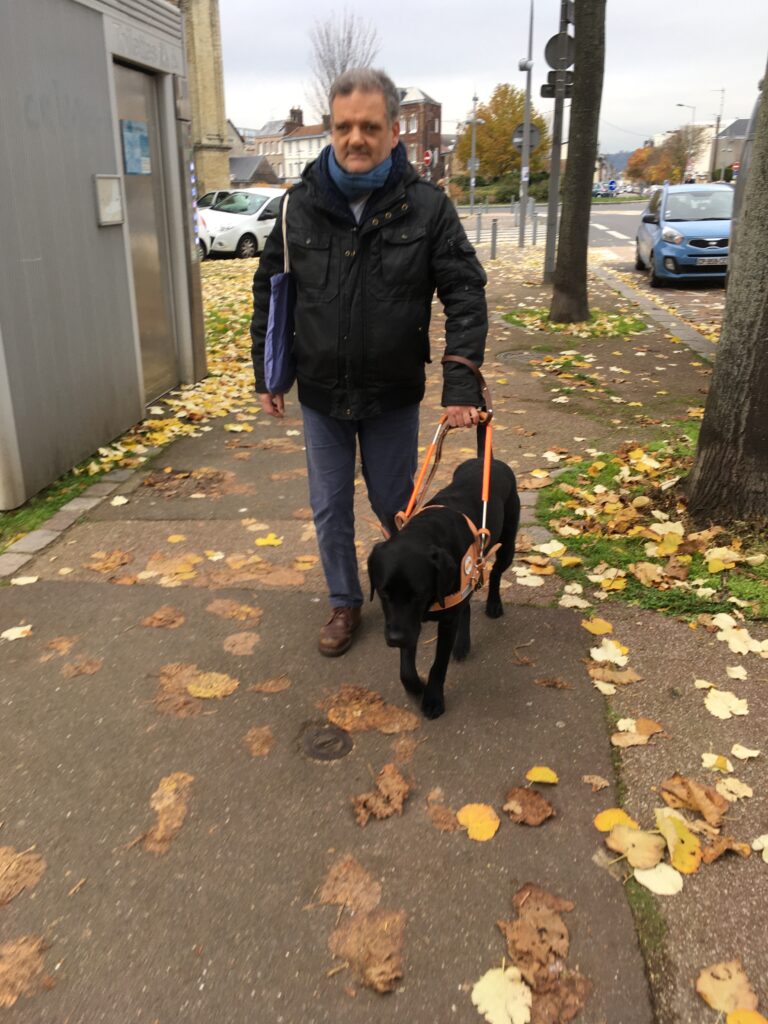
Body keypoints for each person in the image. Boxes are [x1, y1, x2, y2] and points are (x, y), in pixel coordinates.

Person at [250, 68, 488, 657]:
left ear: (390, 131)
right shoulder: (296, 207)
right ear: (332, 128)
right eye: (344, 126)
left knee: (395, 505)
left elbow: (464, 292)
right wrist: (268, 372)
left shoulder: (428, 208)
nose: (355, 138)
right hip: (323, 395)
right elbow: (271, 289)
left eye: (369, 126)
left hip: (391, 396)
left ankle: (410, 587)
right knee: (329, 507)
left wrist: (461, 383)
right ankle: (343, 601)